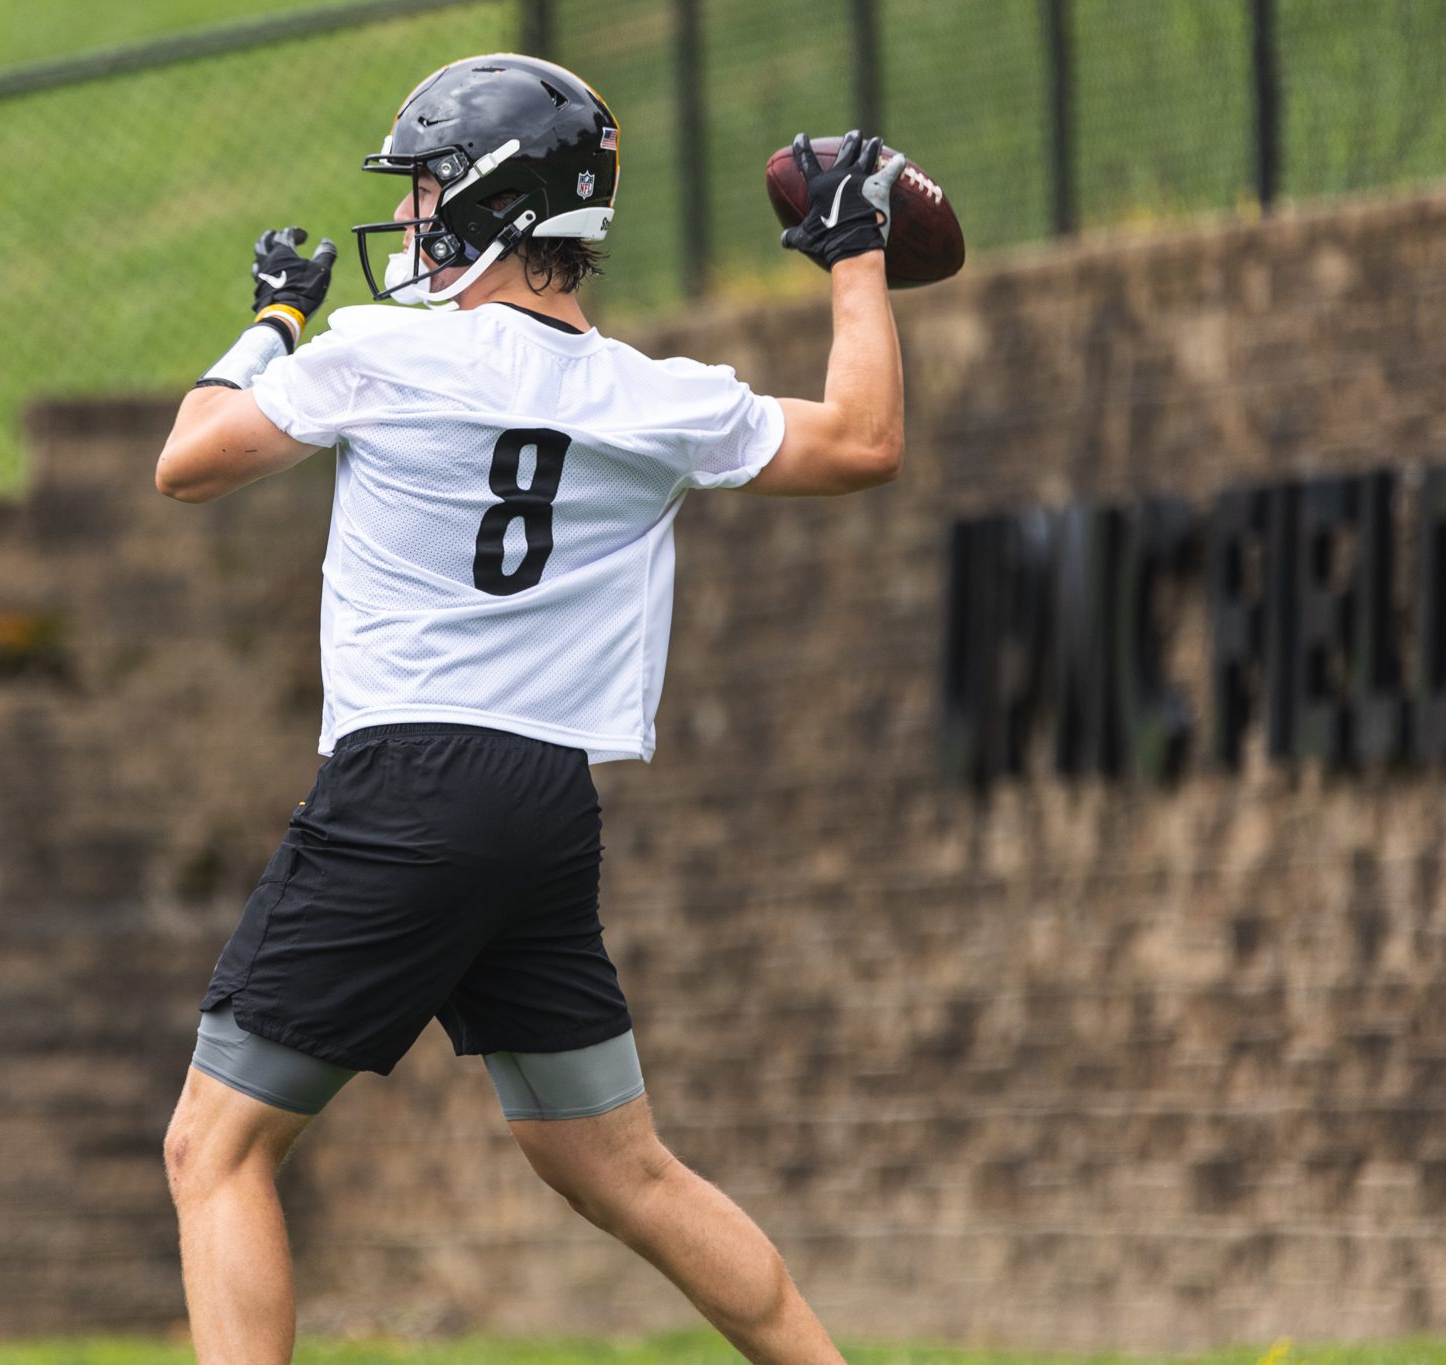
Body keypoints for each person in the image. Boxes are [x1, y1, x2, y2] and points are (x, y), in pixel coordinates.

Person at [154, 52, 906, 1365]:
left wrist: (274, 317)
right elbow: (862, 440)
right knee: (619, 1165)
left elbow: (190, 460)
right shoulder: (656, 398)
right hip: (546, 804)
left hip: (404, 782)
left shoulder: (380, 352)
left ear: (493, 198)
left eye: (430, 186)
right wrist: (855, 252)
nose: (409, 215)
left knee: (212, 1148)